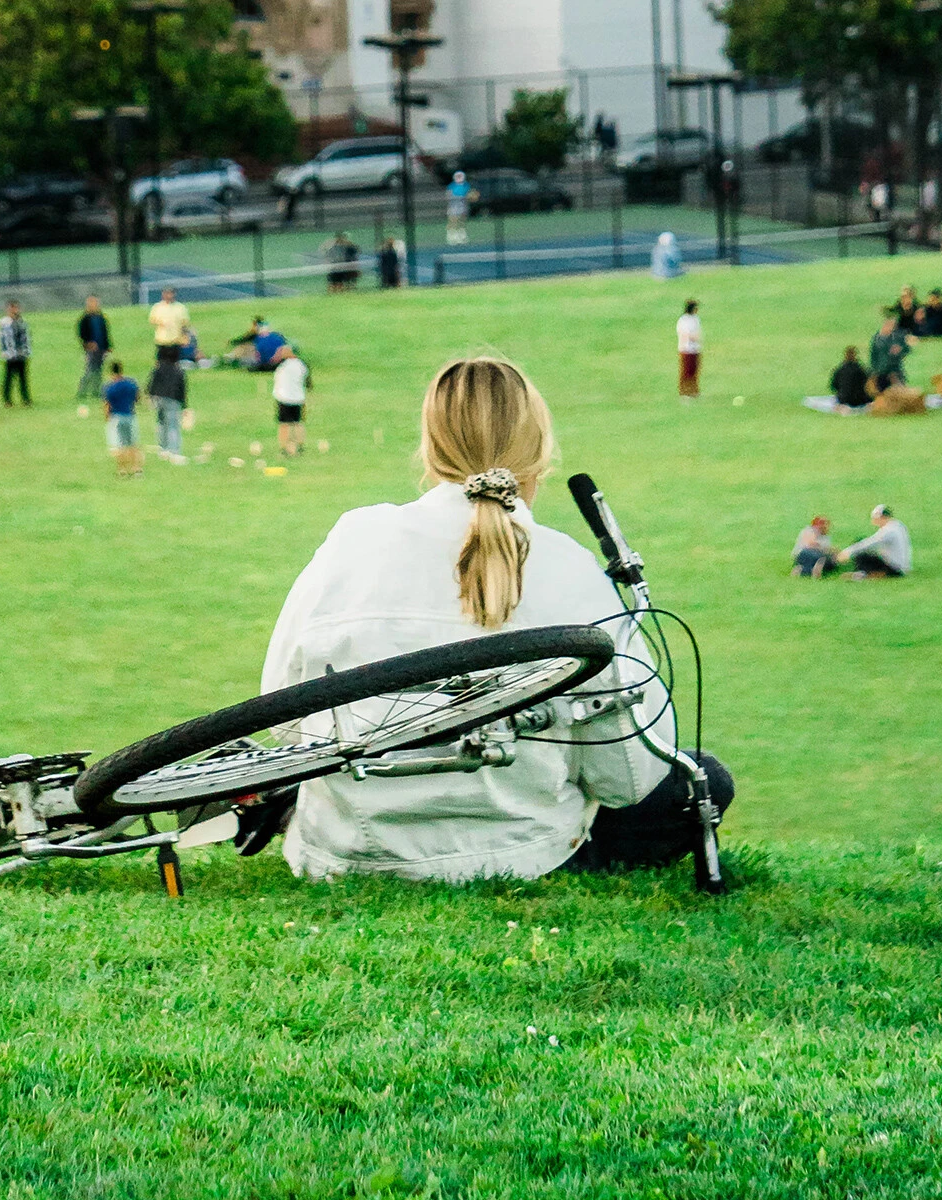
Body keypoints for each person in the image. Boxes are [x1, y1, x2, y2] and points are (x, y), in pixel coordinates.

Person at [252, 357, 734, 881]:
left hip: (348, 850)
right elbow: (629, 778)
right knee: (706, 778)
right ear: (539, 452)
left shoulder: (353, 540)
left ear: (431, 448)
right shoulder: (570, 569)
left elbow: (283, 716)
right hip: (521, 853)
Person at [836, 504, 911, 579]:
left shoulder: (888, 531)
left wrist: (848, 551)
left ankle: (863, 574)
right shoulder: (898, 525)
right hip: (902, 566)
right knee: (864, 549)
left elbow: (870, 543)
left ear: (883, 517)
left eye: (876, 519)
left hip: (894, 567)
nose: (874, 522)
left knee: (861, 553)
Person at [102, 361, 143, 478]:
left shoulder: (110, 387)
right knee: (133, 444)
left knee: (120, 446)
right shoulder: (131, 384)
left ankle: (122, 470)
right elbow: (138, 398)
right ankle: (137, 469)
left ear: (111, 373)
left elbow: (107, 405)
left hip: (116, 418)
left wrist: (107, 418)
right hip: (130, 416)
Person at [147, 358, 188, 463]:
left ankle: (163, 448)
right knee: (173, 426)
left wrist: (151, 397)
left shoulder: (158, 369)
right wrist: (184, 405)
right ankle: (174, 451)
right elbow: (182, 389)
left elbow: (152, 384)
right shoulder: (178, 371)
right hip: (173, 400)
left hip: (160, 399)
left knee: (161, 423)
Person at [272, 345, 309, 457]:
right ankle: (300, 446)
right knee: (297, 423)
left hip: (285, 398)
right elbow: (307, 382)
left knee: (284, 425)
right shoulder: (301, 365)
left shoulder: (284, 365)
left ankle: (284, 448)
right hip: (298, 398)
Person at [75, 295, 112, 401]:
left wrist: (108, 346)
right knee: (89, 370)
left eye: (95, 303)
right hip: (91, 350)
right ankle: (82, 391)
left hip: (101, 348)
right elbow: (81, 333)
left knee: (99, 371)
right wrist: (87, 344)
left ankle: (97, 391)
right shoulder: (85, 319)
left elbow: (105, 333)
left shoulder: (101, 318)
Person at [0, 300, 31, 408]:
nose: (15, 311)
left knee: (23, 378)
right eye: (12, 309)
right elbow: (2, 338)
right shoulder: (4, 323)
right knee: (9, 378)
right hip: (10, 355)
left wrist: (26, 351)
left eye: (16, 308)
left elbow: (26, 337)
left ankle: (25, 399)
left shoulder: (22, 322)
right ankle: (7, 399)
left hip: (21, 354)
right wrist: (4, 351)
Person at [148, 286, 189, 362]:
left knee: (174, 362)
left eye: (170, 293)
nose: (168, 295)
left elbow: (184, 324)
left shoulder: (180, 308)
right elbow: (152, 320)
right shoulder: (157, 307)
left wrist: (185, 337)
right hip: (162, 341)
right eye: (166, 293)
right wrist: (161, 323)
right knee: (161, 362)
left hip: (175, 341)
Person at [869, 317, 913, 388]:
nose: (892, 328)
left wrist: (900, 349)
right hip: (881, 370)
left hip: (894, 370)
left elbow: (907, 349)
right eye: (890, 325)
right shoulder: (876, 339)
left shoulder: (897, 337)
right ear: (885, 324)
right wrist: (874, 371)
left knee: (900, 389)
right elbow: (873, 356)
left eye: (893, 325)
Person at [676, 300, 702, 397]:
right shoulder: (684, 320)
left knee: (695, 370)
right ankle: (684, 391)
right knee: (686, 371)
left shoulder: (695, 319)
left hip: (695, 349)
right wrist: (694, 337)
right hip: (686, 349)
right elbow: (685, 333)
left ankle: (694, 391)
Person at [445, 171, 475, 245]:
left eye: (460, 176)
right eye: (457, 176)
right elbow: (448, 195)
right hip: (454, 205)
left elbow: (470, 194)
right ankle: (451, 236)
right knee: (453, 220)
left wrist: (470, 197)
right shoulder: (451, 186)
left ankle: (462, 235)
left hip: (463, 205)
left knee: (462, 220)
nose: (459, 178)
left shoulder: (466, 185)